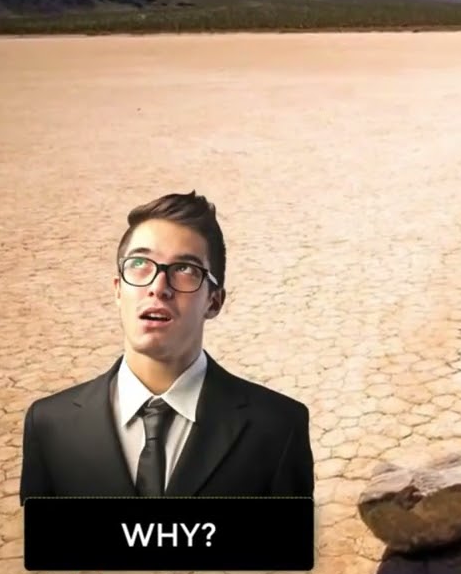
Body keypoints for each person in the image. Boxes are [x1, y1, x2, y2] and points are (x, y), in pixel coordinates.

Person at [19, 191, 314, 503]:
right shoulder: (50, 425)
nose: (158, 287)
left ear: (213, 302)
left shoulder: (279, 428)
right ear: (118, 289)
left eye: (185, 269)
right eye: (139, 264)